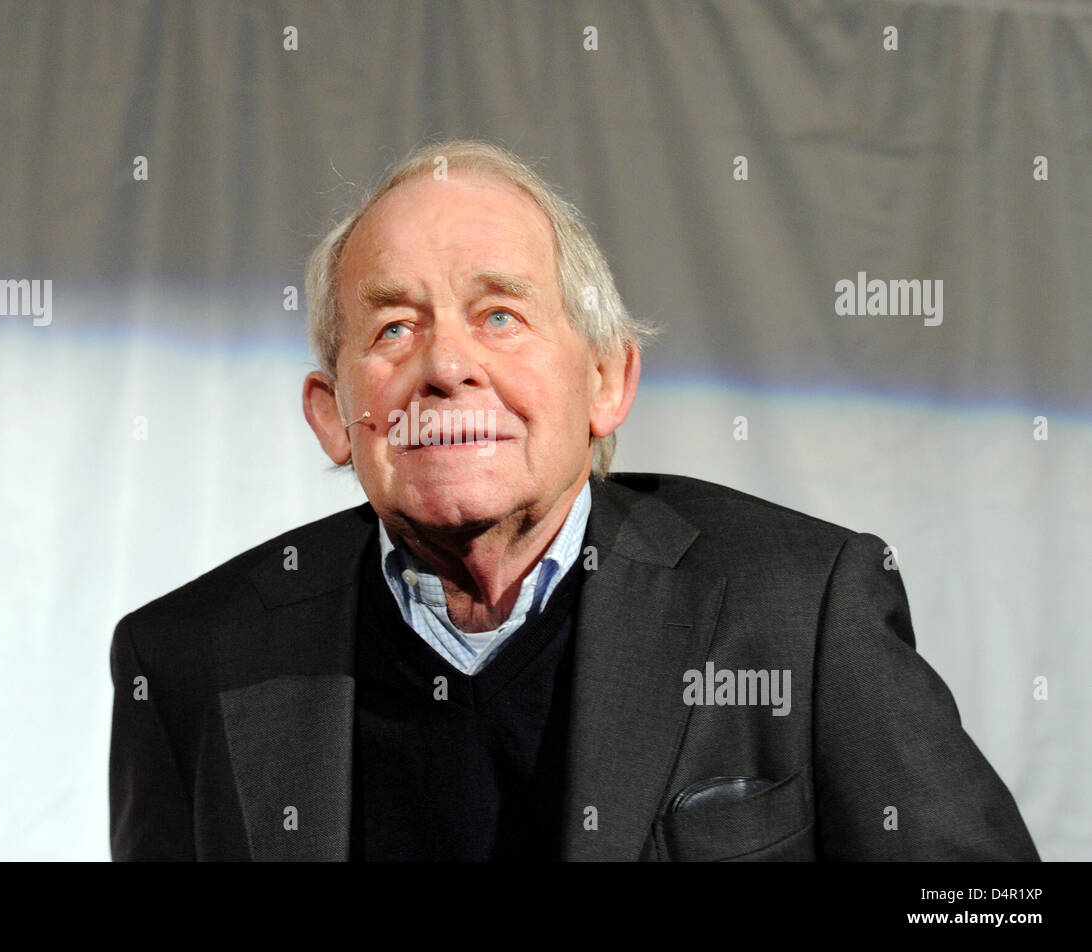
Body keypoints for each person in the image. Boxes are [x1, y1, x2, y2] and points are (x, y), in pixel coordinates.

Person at [109, 139, 1039, 861]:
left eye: (500, 315)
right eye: (394, 326)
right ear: (332, 415)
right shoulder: (188, 662)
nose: (445, 365)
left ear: (606, 380)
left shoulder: (799, 610)